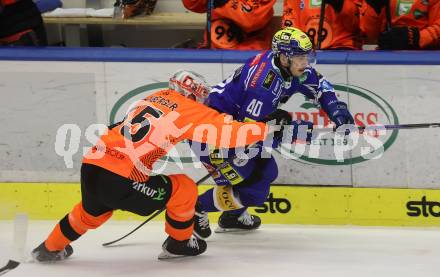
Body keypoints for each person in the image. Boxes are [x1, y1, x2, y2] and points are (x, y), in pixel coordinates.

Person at [31, 70, 289, 262]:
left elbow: (116, 127)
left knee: (90, 213)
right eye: (202, 98)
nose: (204, 103)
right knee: (184, 187)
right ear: (192, 94)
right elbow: (229, 133)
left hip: (92, 165)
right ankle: (179, 244)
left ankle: (50, 247)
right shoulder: (189, 108)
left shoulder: (153, 98)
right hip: (122, 177)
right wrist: (268, 126)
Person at [191, 27, 354, 239]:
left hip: (233, 127)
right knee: (255, 190)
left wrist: (336, 109)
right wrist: (296, 132)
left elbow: (319, 84)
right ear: (284, 58)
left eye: (307, 56)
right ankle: (194, 209)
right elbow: (248, 138)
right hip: (211, 136)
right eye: (300, 58)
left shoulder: (286, 66)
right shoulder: (263, 88)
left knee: (267, 171)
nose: (306, 63)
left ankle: (233, 217)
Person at [182, 0, 276, 50]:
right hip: (212, 50)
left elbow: (250, 20)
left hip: (248, 55)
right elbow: (193, 4)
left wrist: (226, 2)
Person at [282, 0, 362, 49]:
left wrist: (340, 4)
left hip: (343, 47)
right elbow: (290, 19)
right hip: (305, 52)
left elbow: (359, 26)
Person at [360, 0, 440, 49]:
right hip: (388, 53)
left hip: (427, 55)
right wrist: (374, 9)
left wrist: (416, 37)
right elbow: (371, 35)